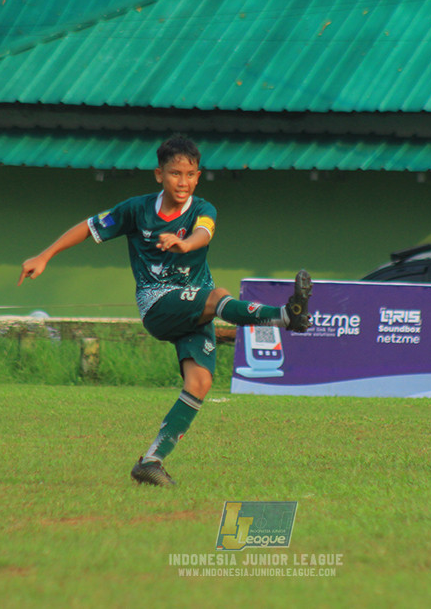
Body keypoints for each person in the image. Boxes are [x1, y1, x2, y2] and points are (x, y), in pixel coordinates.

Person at [18, 135, 312, 487]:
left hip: (194, 307)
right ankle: (284, 316)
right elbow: (88, 227)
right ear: (159, 174)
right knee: (217, 295)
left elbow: (203, 234)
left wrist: (183, 242)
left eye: (189, 174)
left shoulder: (205, 209)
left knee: (200, 382)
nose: (182, 182)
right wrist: (44, 255)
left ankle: (151, 461)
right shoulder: (136, 210)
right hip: (158, 304)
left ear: (198, 176)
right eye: (175, 174)